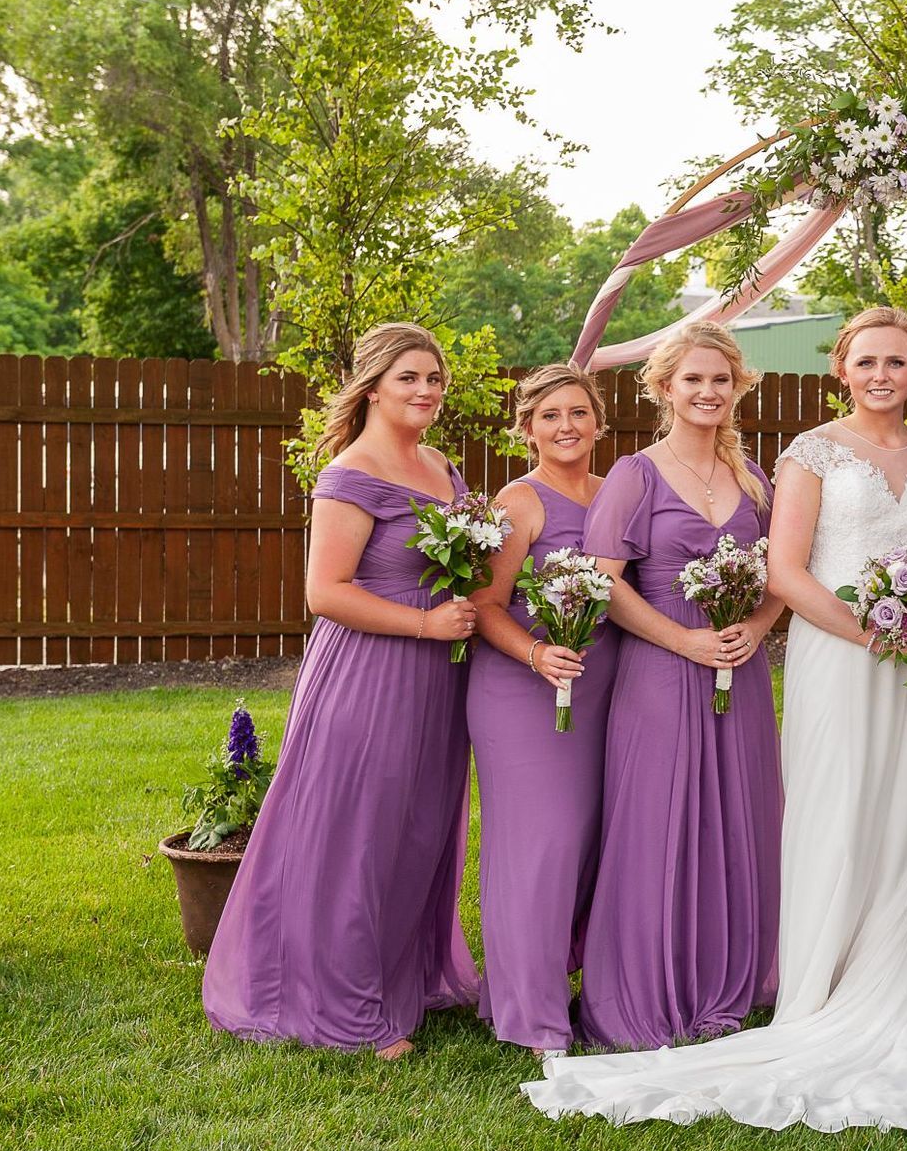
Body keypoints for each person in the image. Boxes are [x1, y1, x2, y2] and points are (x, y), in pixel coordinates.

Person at [522, 308, 907, 1135]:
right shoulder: (808, 455)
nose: (880, 374)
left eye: (895, 362)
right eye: (865, 360)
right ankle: (816, 989)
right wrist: (874, 632)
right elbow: (787, 574)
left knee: (903, 823)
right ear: (841, 367)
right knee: (832, 816)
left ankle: (889, 976)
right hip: (845, 658)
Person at [203, 322, 480, 1059]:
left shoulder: (440, 466)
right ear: (373, 386)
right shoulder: (351, 473)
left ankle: (406, 973)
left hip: (436, 681)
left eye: (435, 379)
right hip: (370, 672)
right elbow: (325, 591)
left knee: (416, 827)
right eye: (409, 378)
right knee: (357, 832)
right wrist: (426, 625)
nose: (426, 391)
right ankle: (344, 1004)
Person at [571, 322, 784, 1051]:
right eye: (692, 379)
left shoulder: (756, 479)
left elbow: (783, 575)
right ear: (665, 388)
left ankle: (734, 976)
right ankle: (650, 984)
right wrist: (685, 639)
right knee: (659, 818)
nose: (707, 391)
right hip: (660, 670)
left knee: (738, 815)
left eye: (720, 379)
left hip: (741, 669)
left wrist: (756, 626)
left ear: (737, 388)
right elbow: (603, 585)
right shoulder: (636, 473)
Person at [467, 364, 614, 1059]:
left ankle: (545, 985)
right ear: (527, 429)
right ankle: (532, 1017)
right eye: (550, 415)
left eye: (578, 413)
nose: (566, 427)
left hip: (601, 687)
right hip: (522, 690)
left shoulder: (617, 495)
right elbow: (485, 607)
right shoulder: (518, 501)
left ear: (599, 423)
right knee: (539, 847)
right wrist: (536, 655)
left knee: (584, 846)